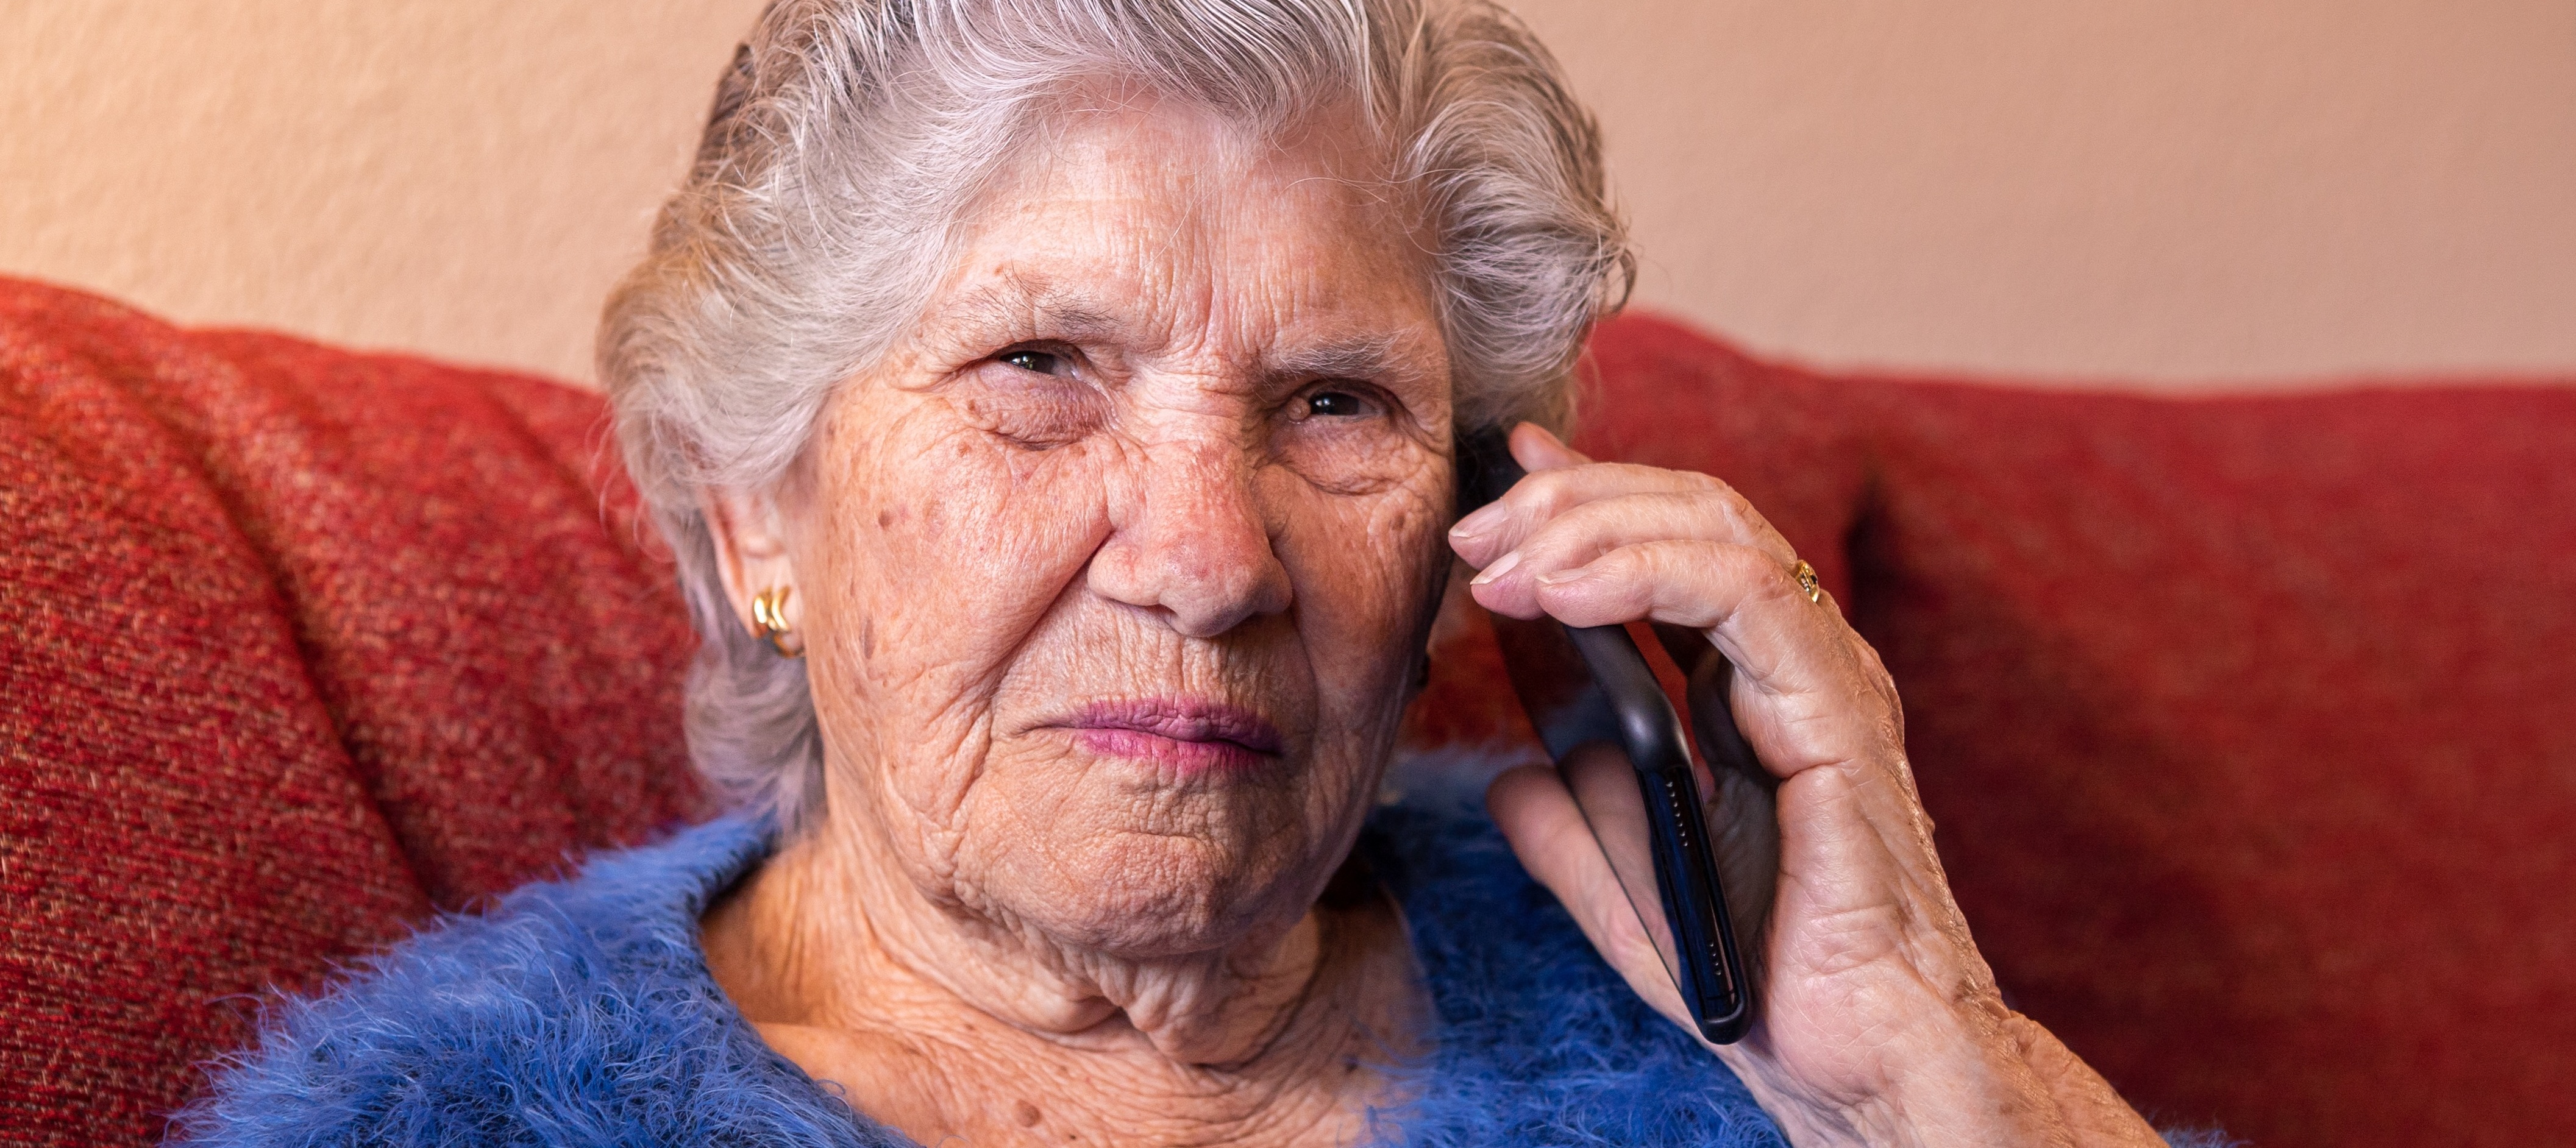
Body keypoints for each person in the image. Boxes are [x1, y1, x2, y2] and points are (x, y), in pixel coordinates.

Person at [177, 2, 2221, 1144]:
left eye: (1335, 403)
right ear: (756, 514)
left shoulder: (1708, 1007)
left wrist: (1940, 1063)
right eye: (1040, 367)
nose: (1207, 556)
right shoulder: (441, 1125)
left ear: (1464, 532)